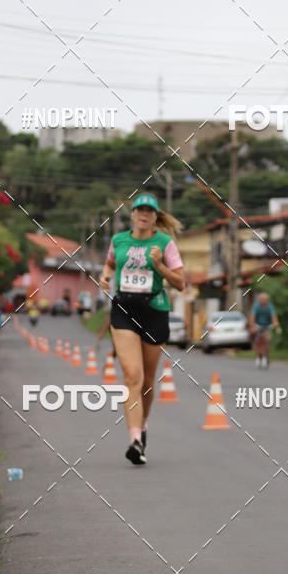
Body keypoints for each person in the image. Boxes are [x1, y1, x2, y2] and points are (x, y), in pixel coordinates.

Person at [100, 194, 185, 465]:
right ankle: (134, 439)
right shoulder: (118, 241)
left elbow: (181, 283)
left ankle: (143, 425)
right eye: (140, 210)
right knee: (132, 376)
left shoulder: (165, 243)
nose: (144, 215)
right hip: (124, 309)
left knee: (148, 382)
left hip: (155, 310)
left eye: (150, 211)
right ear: (133, 214)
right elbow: (111, 263)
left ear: (155, 217)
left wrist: (159, 265)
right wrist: (104, 277)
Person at [249, 292, 279, 368]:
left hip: (267, 326)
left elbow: (274, 316)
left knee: (267, 341)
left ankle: (267, 356)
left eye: (265, 300)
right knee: (258, 340)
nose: (263, 301)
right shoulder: (256, 306)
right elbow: (252, 317)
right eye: (261, 299)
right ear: (259, 300)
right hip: (258, 326)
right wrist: (253, 326)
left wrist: (275, 323)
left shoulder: (270, 306)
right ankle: (257, 353)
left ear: (267, 300)